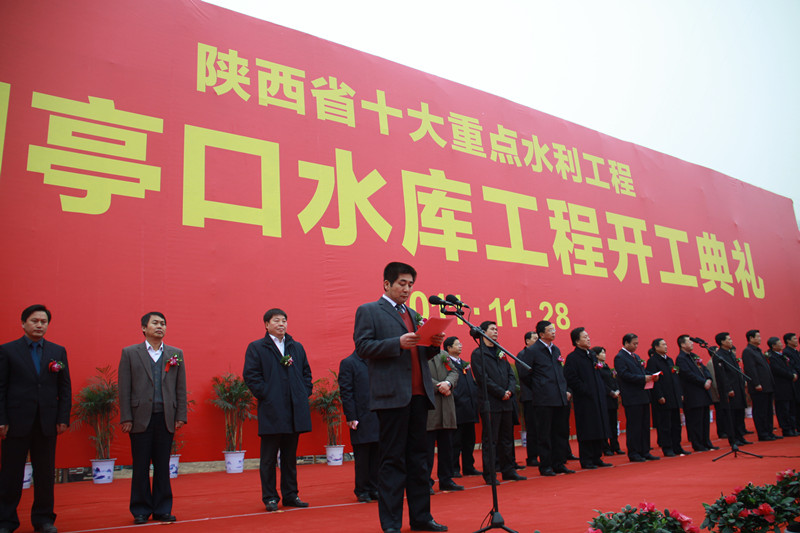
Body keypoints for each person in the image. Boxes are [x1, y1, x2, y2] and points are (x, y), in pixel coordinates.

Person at [353, 262, 447, 533]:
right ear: (387, 284)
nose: (407, 289)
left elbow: (421, 354)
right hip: (392, 396)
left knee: (419, 460)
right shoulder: (370, 310)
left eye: (410, 285)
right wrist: (397, 343)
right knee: (392, 460)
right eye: (402, 283)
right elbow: (363, 347)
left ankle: (421, 518)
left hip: (419, 396)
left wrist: (433, 345)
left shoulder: (413, 313)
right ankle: (391, 523)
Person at [0, 305, 71, 533]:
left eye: (43, 321)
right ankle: (6, 521)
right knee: (10, 474)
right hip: (15, 422)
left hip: (46, 422)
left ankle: (43, 520)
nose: (39, 325)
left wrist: (63, 417)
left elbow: (65, 388)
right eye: (34, 321)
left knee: (45, 474)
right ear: (23, 323)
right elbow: (1, 388)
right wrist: (2, 419)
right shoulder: (7, 351)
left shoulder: (57, 351)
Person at [119, 311, 187, 525]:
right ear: (143, 328)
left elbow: (180, 387)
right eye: (155, 323)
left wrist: (180, 415)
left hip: (166, 417)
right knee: (140, 466)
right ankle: (140, 509)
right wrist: (126, 417)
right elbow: (124, 388)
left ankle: (162, 508)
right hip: (139, 418)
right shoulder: (130, 353)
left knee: (162, 465)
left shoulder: (175, 353)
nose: (160, 326)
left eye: (163, 323)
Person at [243, 308, 313, 512]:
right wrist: (267, 395)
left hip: (293, 410)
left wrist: (303, 393)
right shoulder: (257, 347)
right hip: (272, 411)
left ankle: (291, 495)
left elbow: (306, 373)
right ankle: (270, 497)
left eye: (284, 320)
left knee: (290, 457)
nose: (281, 324)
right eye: (276, 321)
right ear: (266, 324)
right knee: (268, 458)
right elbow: (251, 376)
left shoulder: (296, 347)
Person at [470, 321, 525, 485]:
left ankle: (508, 470)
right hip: (491, 402)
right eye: (492, 329)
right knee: (491, 440)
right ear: (483, 332)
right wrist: (501, 392)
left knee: (507, 438)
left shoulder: (501, 351)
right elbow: (482, 378)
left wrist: (509, 390)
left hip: (506, 402)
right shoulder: (478, 353)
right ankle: (490, 474)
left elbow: (510, 374)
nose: (496, 332)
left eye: (497, 329)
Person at [518, 320, 573, 476]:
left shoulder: (555, 349)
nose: (554, 332)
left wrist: (564, 389)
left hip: (559, 397)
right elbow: (524, 374)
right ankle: (546, 465)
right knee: (544, 433)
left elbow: (559, 372)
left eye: (554, 329)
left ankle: (559, 463)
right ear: (541, 334)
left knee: (560, 432)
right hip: (543, 398)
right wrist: (539, 387)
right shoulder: (532, 351)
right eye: (550, 330)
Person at [563, 327, 610, 470]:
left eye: (588, 336)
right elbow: (571, 378)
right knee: (587, 428)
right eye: (585, 337)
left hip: (598, 397)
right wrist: (586, 390)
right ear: (577, 341)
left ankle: (597, 457)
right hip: (584, 399)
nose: (588, 339)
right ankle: (587, 459)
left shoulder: (592, 355)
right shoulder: (573, 358)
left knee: (599, 427)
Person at [339, 350, 380, 503]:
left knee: (377, 454)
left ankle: (375, 488)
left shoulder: (376, 360)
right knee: (362, 456)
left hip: (378, 415)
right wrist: (351, 416)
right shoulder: (349, 363)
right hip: (360, 417)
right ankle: (362, 490)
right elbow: (346, 392)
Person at [614, 333, 660, 462]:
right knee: (634, 426)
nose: (636, 346)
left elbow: (641, 372)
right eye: (634, 343)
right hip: (632, 397)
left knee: (644, 425)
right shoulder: (620, 357)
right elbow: (624, 375)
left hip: (643, 395)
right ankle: (634, 452)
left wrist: (652, 375)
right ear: (626, 343)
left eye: (637, 344)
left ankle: (645, 451)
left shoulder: (636, 356)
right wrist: (643, 378)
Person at [426, 346, 463, 493]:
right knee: (426, 449)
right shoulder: (419, 353)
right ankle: (425, 482)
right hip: (429, 406)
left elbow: (453, 371)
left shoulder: (443, 354)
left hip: (446, 405)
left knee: (447, 446)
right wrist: (438, 386)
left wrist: (448, 384)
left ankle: (446, 479)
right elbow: (419, 375)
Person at [446, 337, 481, 479]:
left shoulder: (464, 364)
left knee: (469, 440)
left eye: (460, 343)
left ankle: (468, 466)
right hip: (457, 407)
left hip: (469, 407)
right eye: (457, 344)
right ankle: (454, 468)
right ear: (449, 348)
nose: (460, 346)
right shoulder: (446, 363)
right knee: (455, 441)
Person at [646, 338, 688, 457]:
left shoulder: (669, 360)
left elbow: (676, 378)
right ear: (656, 347)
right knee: (665, 424)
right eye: (663, 344)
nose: (666, 346)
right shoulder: (653, 361)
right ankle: (667, 447)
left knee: (676, 424)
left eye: (666, 344)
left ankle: (677, 446)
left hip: (674, 396)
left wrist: (680, 393)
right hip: (663, 397)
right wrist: (659, 395)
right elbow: (654, 380)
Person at [675, 335, 717, 452]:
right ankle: (698, 444)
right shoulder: (681, 359)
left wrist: (708, 379)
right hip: (693, 393)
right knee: (696, 421)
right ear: (682, 344)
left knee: (705, 420)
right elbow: (687, 374)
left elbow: (704, 368)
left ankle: (706, 442)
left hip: (703, 392)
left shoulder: (693, 356)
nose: (692, 343)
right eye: (689, 342)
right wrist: (703, 382)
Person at [741, 329, 779, 441]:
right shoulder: (748, 351)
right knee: (760, 411)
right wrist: (756, 383)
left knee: (768, 410)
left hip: (767, 385)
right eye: (757, 337)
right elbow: (750, 369)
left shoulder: (758, 350)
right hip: (759, 387)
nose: (760, 338)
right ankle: (763, 433)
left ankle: (769, 432)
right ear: (751, 338)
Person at [713, 332, 750, 446]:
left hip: (738, 388)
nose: (731, 341)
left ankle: (740, 436)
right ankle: (733, 439)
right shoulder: (719, 356)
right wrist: (728, 389)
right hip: (730, 390)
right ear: (722, 342)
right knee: (731, 415)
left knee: (739, 413)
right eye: (728, 339)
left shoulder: (730, 354)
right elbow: (721, 375)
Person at [766, 337, 799, 437]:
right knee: (783, 409)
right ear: (773, 346)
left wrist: (793, 373)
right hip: (780, 386)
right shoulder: (771, 357)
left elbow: (791, 366)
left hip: (789, 385)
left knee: (791, 408)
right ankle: (786, 429)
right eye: (779, 343)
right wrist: (790, 375)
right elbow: (777, 369)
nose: (781, 344)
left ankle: (792, 427)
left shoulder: (782, 355)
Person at [594, 346, 623, 456]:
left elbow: (614, 380)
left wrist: (617, 390)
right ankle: (605, 447)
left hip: (613, 400)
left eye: (604, 353)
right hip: (604, 399)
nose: (604, 355)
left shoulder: (607, 367)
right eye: (602, 353)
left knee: (613, 424)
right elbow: (601, 383)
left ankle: (615, 446)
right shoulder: (597, 368)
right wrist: (610, 392)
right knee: (605, 424)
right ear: (596, 355)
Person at [517, 331, 540, 467]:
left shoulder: (539, 354)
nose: (537, 341)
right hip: (530, 397)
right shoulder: (523, 355)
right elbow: (524, 376)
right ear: (527, 341)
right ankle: (532, 457)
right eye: (535, 338)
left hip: (542, 397)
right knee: (532, 428)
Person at [783, 333, 800, 434]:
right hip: (795, 381)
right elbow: (792, 366)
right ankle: (796, 426)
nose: (796, 340)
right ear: (788, 341)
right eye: (794, 339)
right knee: (796, 404)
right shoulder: (787, 352)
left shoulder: (796, 351)